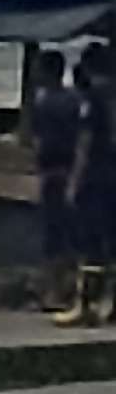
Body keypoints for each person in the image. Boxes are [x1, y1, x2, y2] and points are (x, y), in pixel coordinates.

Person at [32, 45, 84, 319]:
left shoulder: (45, 101)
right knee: (67, 235)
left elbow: (39, 141)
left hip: (55, 174)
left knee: (54, 236)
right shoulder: (74, 99)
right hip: (68, 172)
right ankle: (65, 290)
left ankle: (55, 292)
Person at [72, 44, 116, 323]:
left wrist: (74, 181)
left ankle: (86, 303)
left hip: (96, 177)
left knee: (91, 241)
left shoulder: (93, 98)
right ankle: (110, 304)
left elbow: (84, 143)